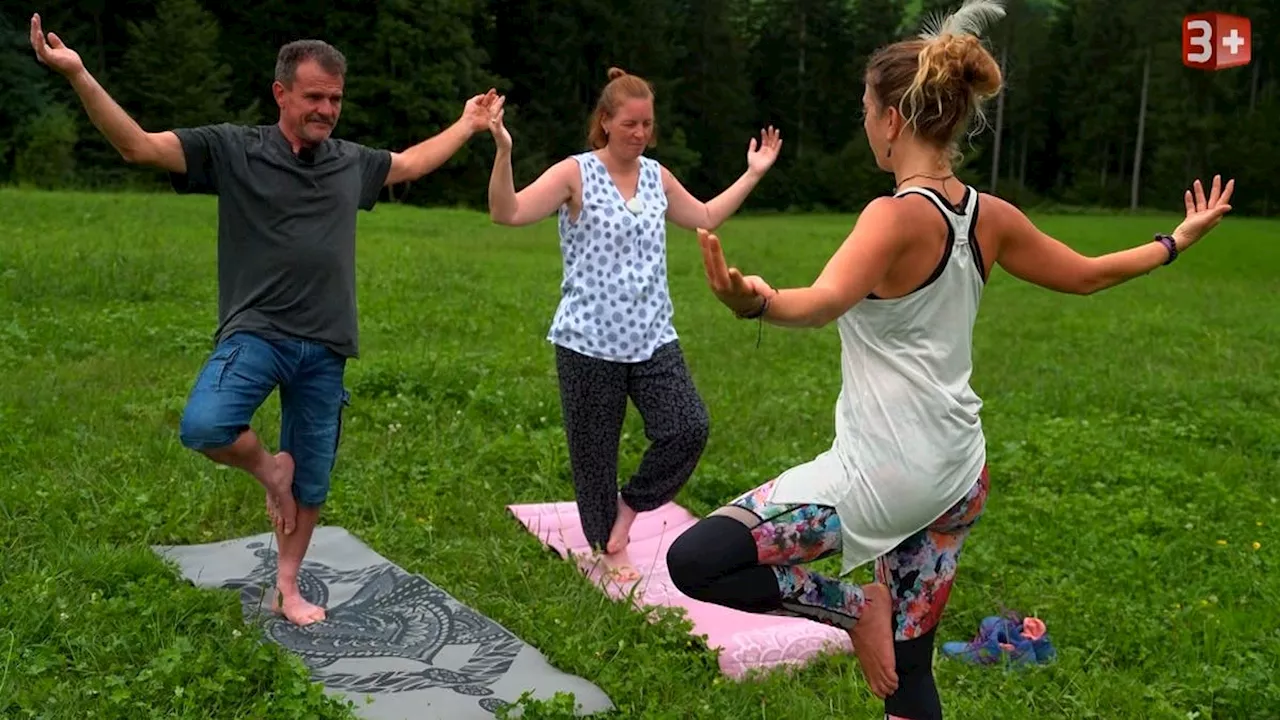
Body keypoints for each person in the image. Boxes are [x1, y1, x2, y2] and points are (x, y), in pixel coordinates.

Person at [662, 5, 1235, 719]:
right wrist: (1175, 240)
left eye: (868, 109)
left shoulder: (893, 216)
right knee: (911, 672)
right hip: (958, 478)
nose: (865, 122)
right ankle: (880, 628)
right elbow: (1088, 274)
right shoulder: (987, 215)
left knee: (698, 561)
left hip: (882, 478)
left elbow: (820, 302)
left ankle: (852, 608)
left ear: (895, 120)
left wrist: (751, 300)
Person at [29, 13, 498, 626]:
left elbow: (409, 163)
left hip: (327, 344)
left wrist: (467, 123)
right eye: (314, 97)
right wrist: (79, 74)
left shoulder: (348, 162)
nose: (327, 109)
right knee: (206, 424)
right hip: (257, 334)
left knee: (314, 476)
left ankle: (287, 586)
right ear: (281, 93)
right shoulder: (233, 149)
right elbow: (137, 146)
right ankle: (268, 469)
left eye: (335, 98)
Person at [484, 67, 782, 581]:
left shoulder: (656, 176)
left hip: (652, 338)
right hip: (588, 342)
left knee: (688, 426)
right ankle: (606, 543)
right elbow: (506, 212)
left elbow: (705, 215)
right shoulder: (574, 174)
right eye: (629, 124)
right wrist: (504, 149)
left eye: (647, 124)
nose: (640, 134)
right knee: (594, 457)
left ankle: (630, 507)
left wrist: (753, 172)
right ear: (604, 123)